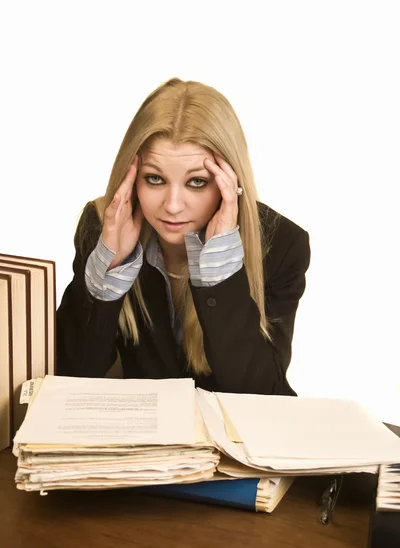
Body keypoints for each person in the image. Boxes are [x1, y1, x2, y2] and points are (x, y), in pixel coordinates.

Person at [56, 77, 311, 396]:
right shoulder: (103, 225)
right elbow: (69, 376)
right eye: (154, 178)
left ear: (229, 182)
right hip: (138, 435)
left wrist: (220, 272)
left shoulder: (283, 245)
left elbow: (265, 397)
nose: (173, 206)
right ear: (131, 178)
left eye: (197, 182)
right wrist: (109, 268)